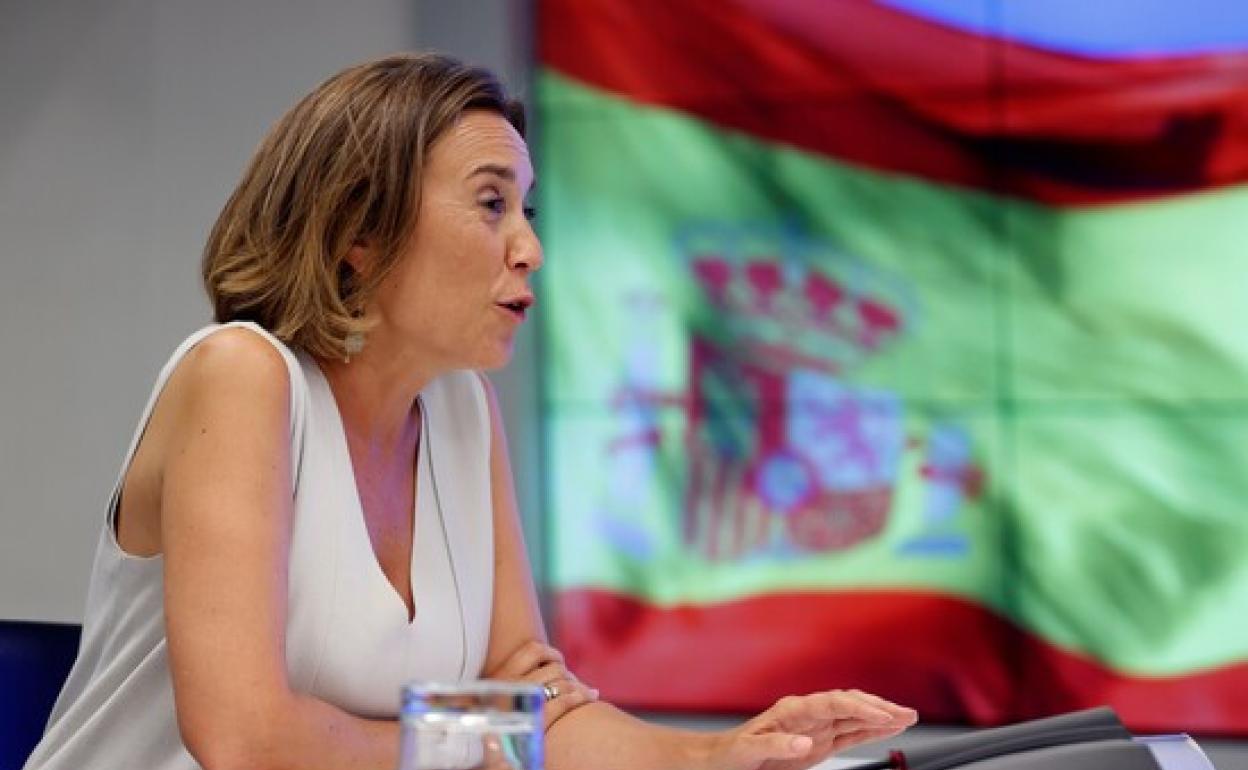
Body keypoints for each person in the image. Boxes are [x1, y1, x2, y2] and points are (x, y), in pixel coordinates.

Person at [23, 53, 917, 770]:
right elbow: (247, 741)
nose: (530, 248)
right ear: (358, 231)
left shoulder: (461, 409)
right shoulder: (241, 375)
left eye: (526, 209)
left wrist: (717, 755)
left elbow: (533, 709)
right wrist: (484, 747)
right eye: (492, 204)